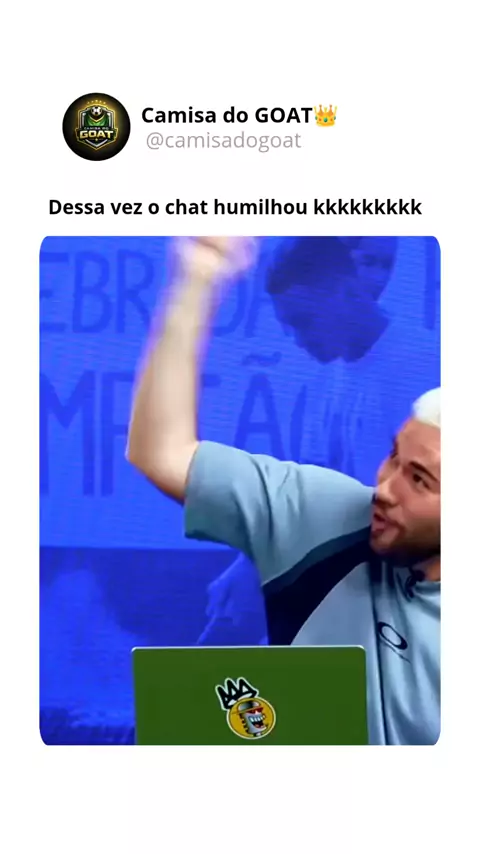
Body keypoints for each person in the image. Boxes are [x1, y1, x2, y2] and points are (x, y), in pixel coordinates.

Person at [126, 237, 440, 745]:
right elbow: (314, 480)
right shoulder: (331, 374)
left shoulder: (425, 367)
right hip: (344, 575)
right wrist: (247, 562)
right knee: (226, 675)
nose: (297, 341)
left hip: (397, 602)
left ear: (345, 292)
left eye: (304, 323)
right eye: (288, 326)